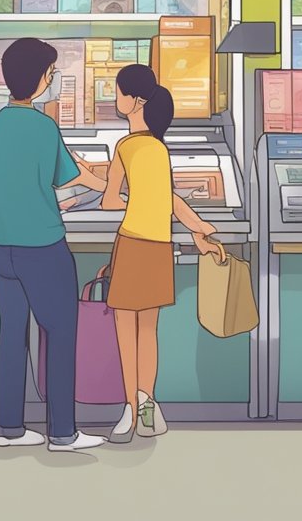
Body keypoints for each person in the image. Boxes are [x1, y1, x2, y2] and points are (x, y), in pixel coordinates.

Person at [0, 39, 107, 452]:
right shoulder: (43, 126)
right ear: (37, 79)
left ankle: (9, 428)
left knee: (11, 334)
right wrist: (111, 186)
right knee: (59, 333)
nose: (52, 79)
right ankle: (62, 432)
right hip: (42, 245)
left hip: (2, 247)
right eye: (50, 73)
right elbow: (69, 175)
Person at [101, 65, 218, 442]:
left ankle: (129, 411)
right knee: (148, 330)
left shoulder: (125, 147)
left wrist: (125, 200)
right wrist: (199, 227)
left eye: (118, 93)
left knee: (125, 330)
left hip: (132, 241)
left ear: (135, 101)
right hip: (159, 246)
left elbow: (108, 200)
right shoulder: (159, 148)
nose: (115, 99)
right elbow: (169, 199)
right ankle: (148, 403)